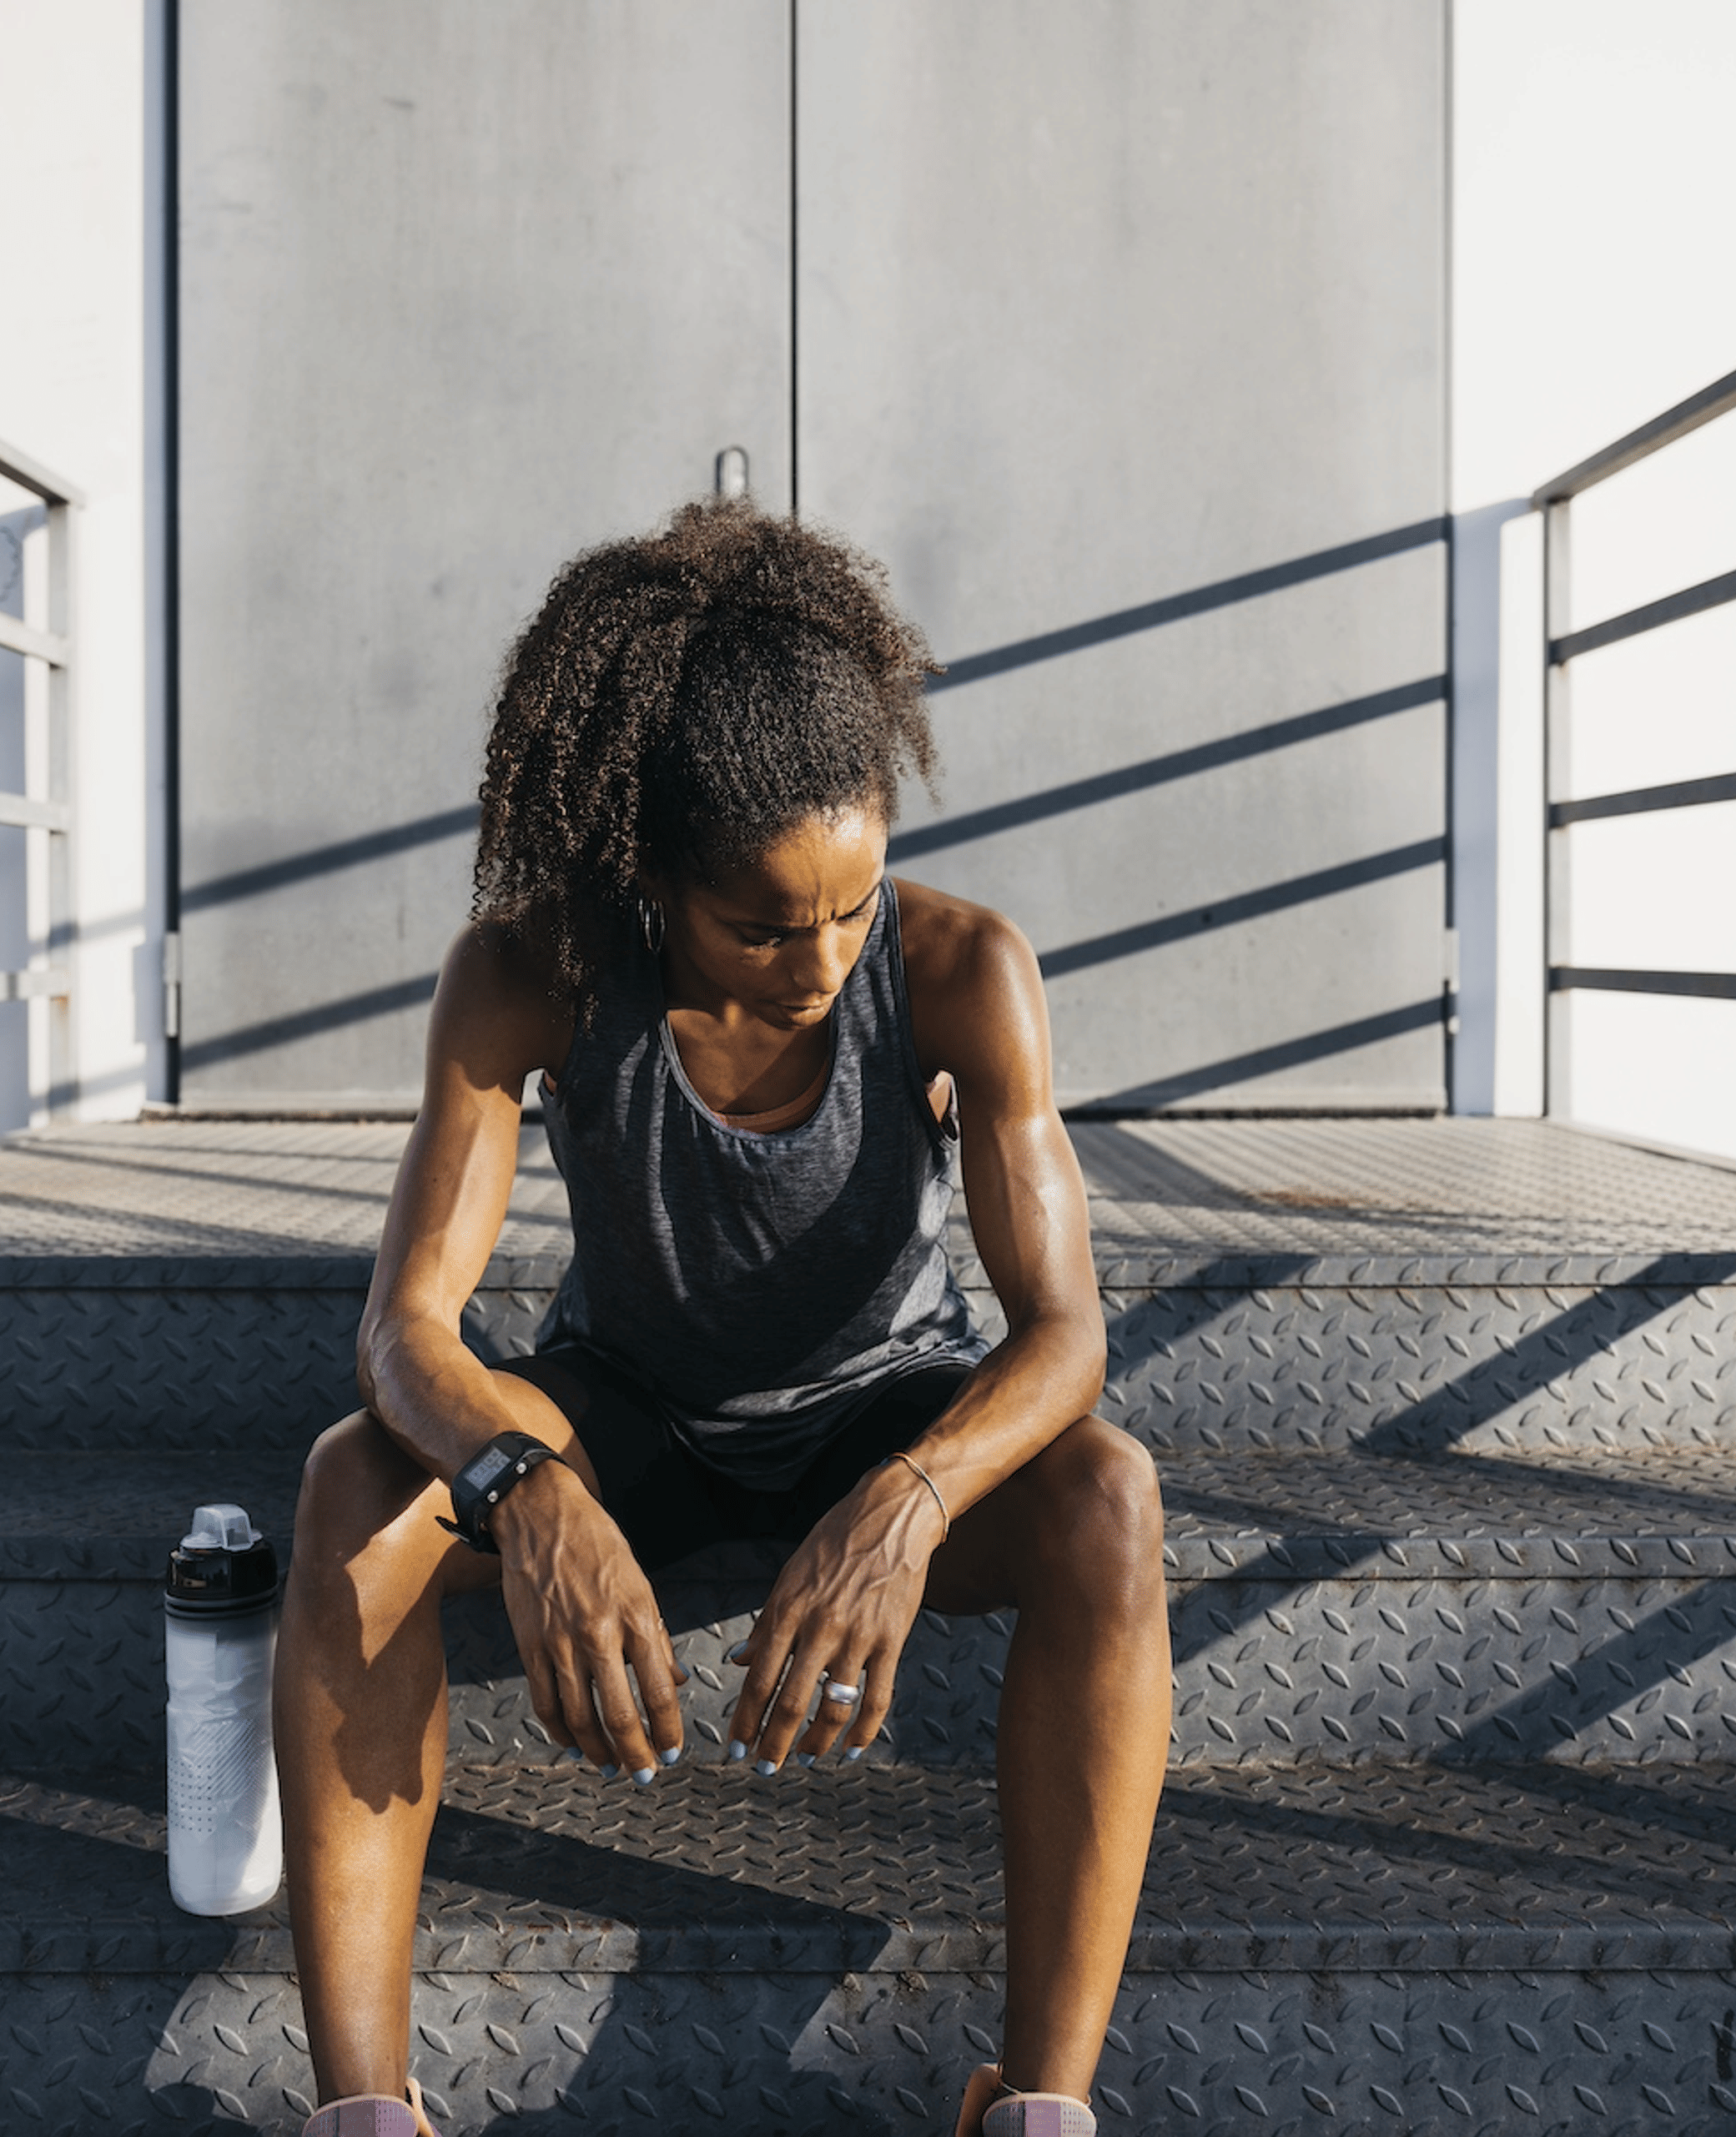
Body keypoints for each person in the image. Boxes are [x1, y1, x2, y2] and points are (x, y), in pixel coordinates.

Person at [278, 497, 1169, 2137]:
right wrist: (522, 1496)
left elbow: (1067, 1336)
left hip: (874, 1417)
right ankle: (362, 2114)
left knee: (1110, 1494)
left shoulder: (968, 970)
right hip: (624, 1419)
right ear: (648, 874)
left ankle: (1040, 2106)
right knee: (355, 1496)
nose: (822, 958)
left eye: (851, 903)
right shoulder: (529, 973)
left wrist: (907, 1503)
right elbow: (408, 1331)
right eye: (764, 925)